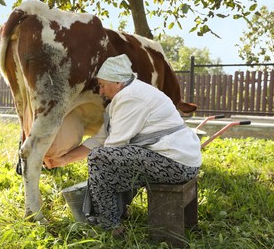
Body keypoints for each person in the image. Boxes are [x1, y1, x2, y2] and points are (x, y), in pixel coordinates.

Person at [44, 54, 202, 233]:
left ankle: (109, 224)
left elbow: (113, 148)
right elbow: (100, 139)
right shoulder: (126, 96)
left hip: (176, 164)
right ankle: (113, 212)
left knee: (101, 159)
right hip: (175, 160)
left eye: (103, 85)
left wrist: (99, 178)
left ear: (118, 82)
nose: (101, 91)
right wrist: (63, 159)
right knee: (104, 160)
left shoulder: (131, 97)